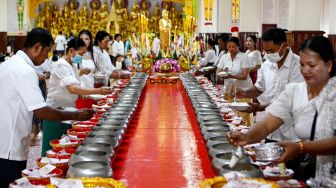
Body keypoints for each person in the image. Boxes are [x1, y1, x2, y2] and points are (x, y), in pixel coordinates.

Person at [228, 36, 336, 181]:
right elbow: (267, 124)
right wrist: (247, 137)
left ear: (328, 65)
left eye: (311, 65)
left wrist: (301, 147)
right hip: (308, 171)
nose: (305, 70)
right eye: (302, 65)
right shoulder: (294, 91)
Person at [0, 28, 94, 187]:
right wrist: (77, 116)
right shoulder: (25, 71)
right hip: (10, 144)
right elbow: (41, 111)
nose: (46, 58)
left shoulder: (8, 64)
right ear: (37, 47)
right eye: (47, 52)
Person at [42, 37, 112, 156]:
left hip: (67, 111)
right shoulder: (61, 65)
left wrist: (88, 96)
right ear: (71, 51)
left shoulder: (71, 65)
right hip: (55, 111)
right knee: (53, 149)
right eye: (80, 54)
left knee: (64, 148)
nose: (81, 57)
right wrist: (98, 90)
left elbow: (71, 88)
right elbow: (72, 88)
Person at [236, 28, 303, 142]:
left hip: (292, 134)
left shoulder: (300, 65)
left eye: (272, 50)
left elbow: (293, 101)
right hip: (270, 131)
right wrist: (245, 92)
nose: (269, 55)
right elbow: (259, 88)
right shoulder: (267, 65)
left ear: (284, 45)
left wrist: (262, 107)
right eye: (266, 51)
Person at [30, 58, 51, 146]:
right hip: (29, 83)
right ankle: (33, 130)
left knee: (37, 107)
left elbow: (48, 73)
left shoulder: (43, 60)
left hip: (40, 83)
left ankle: (33, 134)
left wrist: (44, 76)